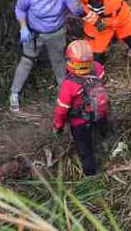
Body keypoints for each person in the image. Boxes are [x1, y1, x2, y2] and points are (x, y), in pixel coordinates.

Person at [9, 0, 83, 113]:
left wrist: (76, 1)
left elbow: (77, 12)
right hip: (34, 33)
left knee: (59, 62)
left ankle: (65, 95)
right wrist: (23, 27)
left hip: (56, 32)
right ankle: (14, 93)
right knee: (26, 61)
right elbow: (20, 9)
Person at [53, 40, 108, 176]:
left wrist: (58, 126)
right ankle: (105, 145)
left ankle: (90, 174)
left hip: (79, 122)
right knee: (102, 132)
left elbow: (61, 110)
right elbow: (102, 81)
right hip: (100, 112)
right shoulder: (97, 68)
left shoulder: (69, 85)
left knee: (85, 149)